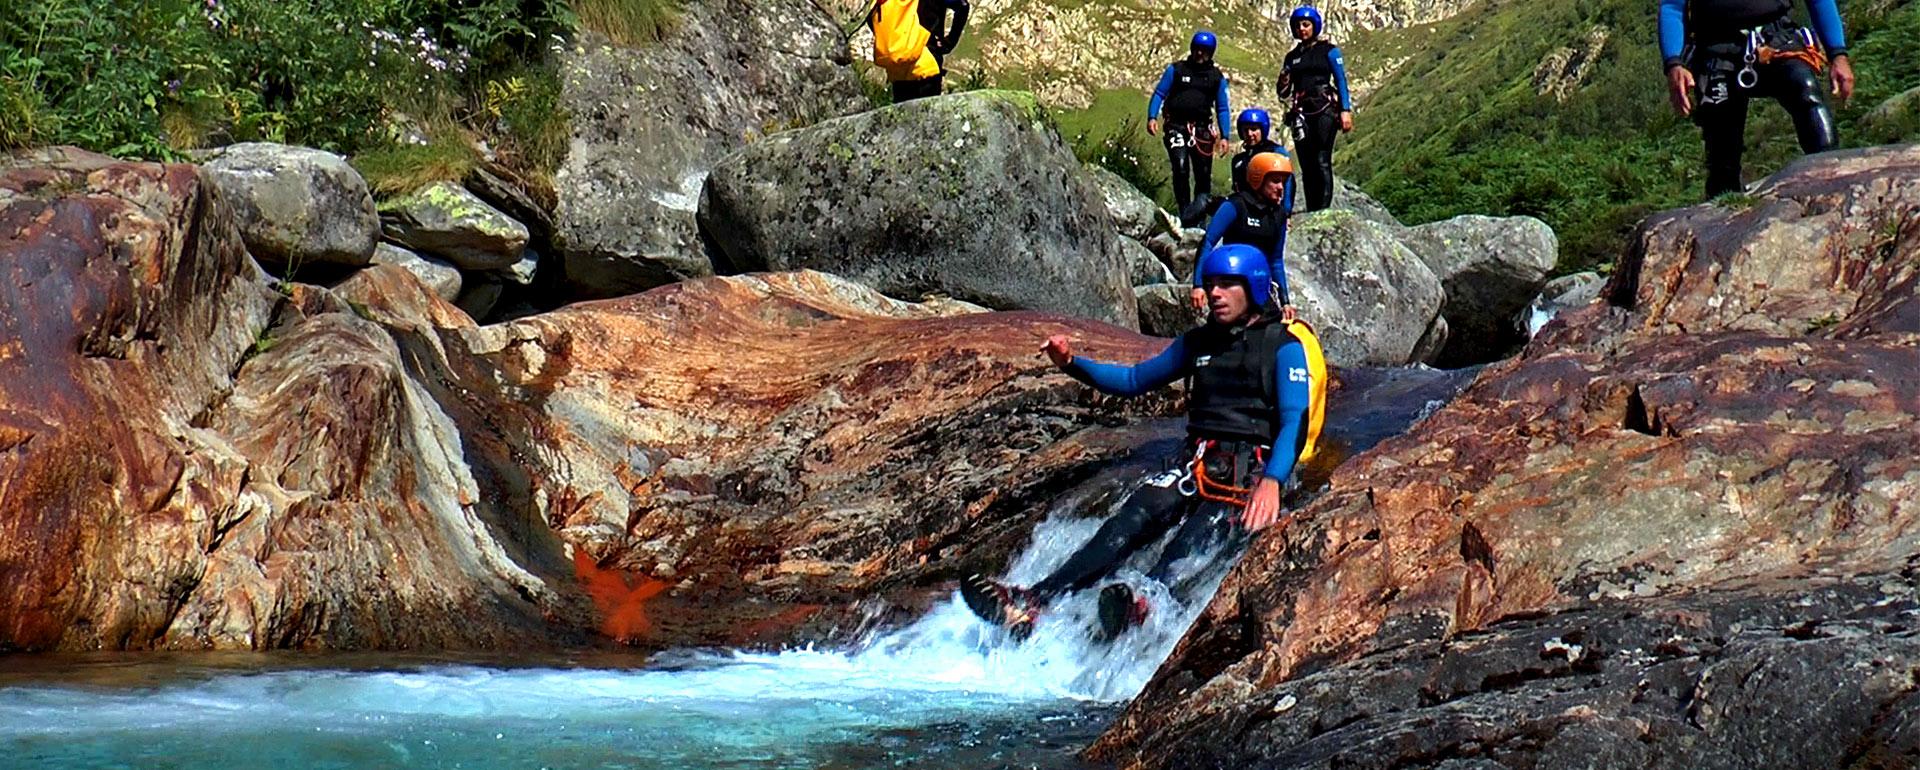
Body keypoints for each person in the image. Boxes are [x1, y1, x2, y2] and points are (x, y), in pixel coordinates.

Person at [960, 245, 1326, 641]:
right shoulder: (1197, 342)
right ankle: (1033, 602)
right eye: (1211, 285)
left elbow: (1295, 420)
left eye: (1227, 285)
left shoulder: (1284, 347)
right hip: (1197, 463)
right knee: (1129, 520)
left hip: (1249, 472)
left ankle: (1142, 605)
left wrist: (1272, 482)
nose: (1215, 293)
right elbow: (1133, 381)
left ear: (1252, 287)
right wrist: (1071, 363)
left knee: (1193, 541)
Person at [1659, 0, 1854, 198]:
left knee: (1806, 92)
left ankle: (1830, 176)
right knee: (1721, 146)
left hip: (1777, 39)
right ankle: (1725, 213)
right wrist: (1674, 63)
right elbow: (1672, 7)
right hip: (1715, 49)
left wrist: (1837, 54)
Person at [1191, 152, 1295, 313]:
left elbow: (1276, 260)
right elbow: (1208, 242)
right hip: (1231, 285)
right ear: (1258, 179)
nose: (1281, 188)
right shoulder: (1236, 205)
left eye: (1283, 182)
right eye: (1275, 181)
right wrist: (1198, 285)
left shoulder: (1279, 215)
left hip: (1260, 287)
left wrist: (1285, 301)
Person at [1149, 31, 1234, 226]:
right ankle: (1184, 211)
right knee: (1180, 167)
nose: (1199, 53)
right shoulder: (1177, 70)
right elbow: (1160, 92)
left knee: (1203, 176)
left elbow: (1222, 107)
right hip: (1176, 126)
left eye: (1204, 50)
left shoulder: (1216, 77)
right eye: (1196, 49)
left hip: (1202, 131)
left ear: (1210, 53)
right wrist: (1152, 116)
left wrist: (1225, 136)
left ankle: (1197, 220)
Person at [1275, 6, 1352, 212]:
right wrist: (1283, 79)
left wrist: (1345, 110)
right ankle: (1312, 209)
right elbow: (1283, 92)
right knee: (1306, 164)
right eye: (1298, 26)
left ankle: (1323, 209)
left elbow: (1341, 80)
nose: (1302, 29)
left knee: (1321, 160)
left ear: (1314, 26)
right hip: (1301, 113)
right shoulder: (1291, 57)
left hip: (1325, 109)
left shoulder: (1329, 50)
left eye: (1306, 25)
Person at [871, 0, 971, 103]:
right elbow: (963, 5)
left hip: (897, 71)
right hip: (926, 63)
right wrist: (949, 42)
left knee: (903, 116)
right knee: (927, 115)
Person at [1228, 108, 1293, 199]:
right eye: (1246, 130)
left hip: (1272, 209)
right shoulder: (1238, 160)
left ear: (1263, 130)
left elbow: (1288, 186)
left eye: (1254, 129)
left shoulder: (1276, 152)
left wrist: (1284, 211)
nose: (1249, 134)